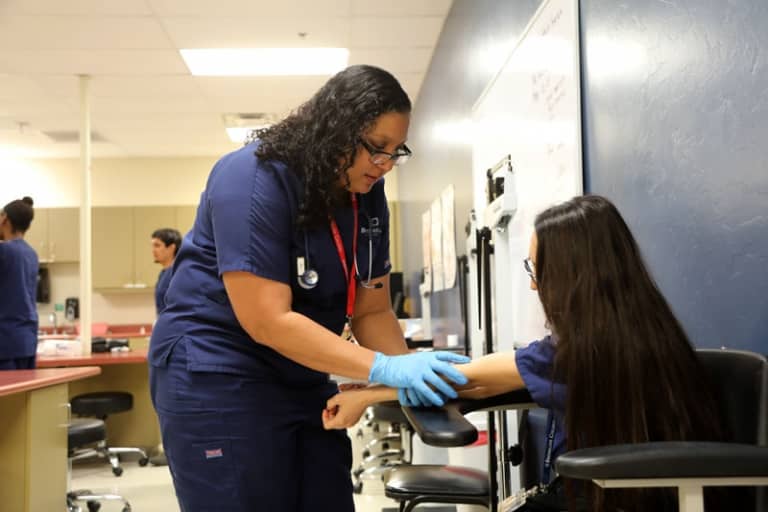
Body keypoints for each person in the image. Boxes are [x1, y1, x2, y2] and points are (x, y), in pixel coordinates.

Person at [148, 65, 470, 512]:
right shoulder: (253, 177)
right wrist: (384, 370)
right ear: (334, 130)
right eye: (377, 149)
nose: (385, 166)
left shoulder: (366, 195)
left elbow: (372, 310)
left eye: (397, 152)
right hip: (218, 372)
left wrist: (409, 374)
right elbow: (266, 319)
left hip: (299, 372)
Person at [324, 195, 727, 512]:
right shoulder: (647, 331)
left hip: (606, 498)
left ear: (572, 277)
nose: (535, 287)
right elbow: (480, 384)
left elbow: (465, 376)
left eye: (537, 272)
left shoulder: (578, 351)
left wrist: (365, 394)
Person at [0, 197, 39, 370]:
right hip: (27, 340)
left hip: (6, 342)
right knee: (22, 396)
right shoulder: (31, 253)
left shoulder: (4, 251)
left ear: (4, 218)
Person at [150, 228, 181, 314]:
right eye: (152, 246)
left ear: (171, 248)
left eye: (157, 245)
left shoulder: (177, 274)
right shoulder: (163, 274)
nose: (153, 250)